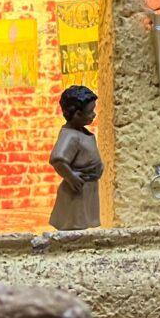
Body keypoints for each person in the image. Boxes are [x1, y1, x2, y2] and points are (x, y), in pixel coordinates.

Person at [49, 85, 104, 230]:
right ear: (77, 114)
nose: (93, 114)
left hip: (88, 189)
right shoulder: (71, 136)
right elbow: (57, 159)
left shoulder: (81, 133)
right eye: (90, 111)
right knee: (75, 224)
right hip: (78, 191)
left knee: (85, 222)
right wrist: (71, 177)